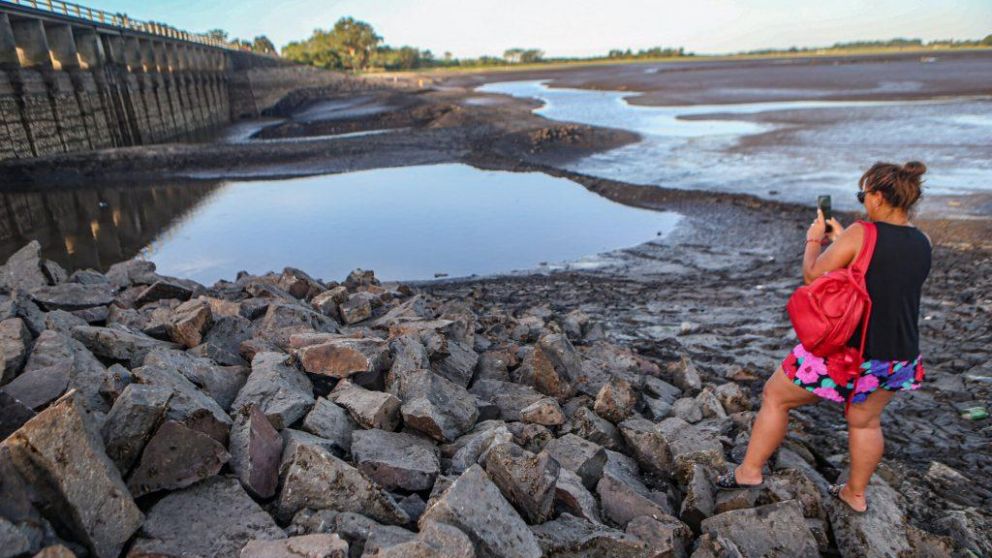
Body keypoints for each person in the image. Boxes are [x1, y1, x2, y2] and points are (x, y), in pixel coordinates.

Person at [715, 161, 932, 513]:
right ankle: (855, 494)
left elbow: (812, 275)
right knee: (865, 421)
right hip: (899, 356)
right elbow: (883, 276)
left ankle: (749, 471)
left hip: (849, 353)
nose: (864, 201)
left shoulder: (862, 233)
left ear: (877, 196)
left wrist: (815, 239)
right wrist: (845, 240)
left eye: (864, 194)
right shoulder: (923, 241)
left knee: (775, 395)